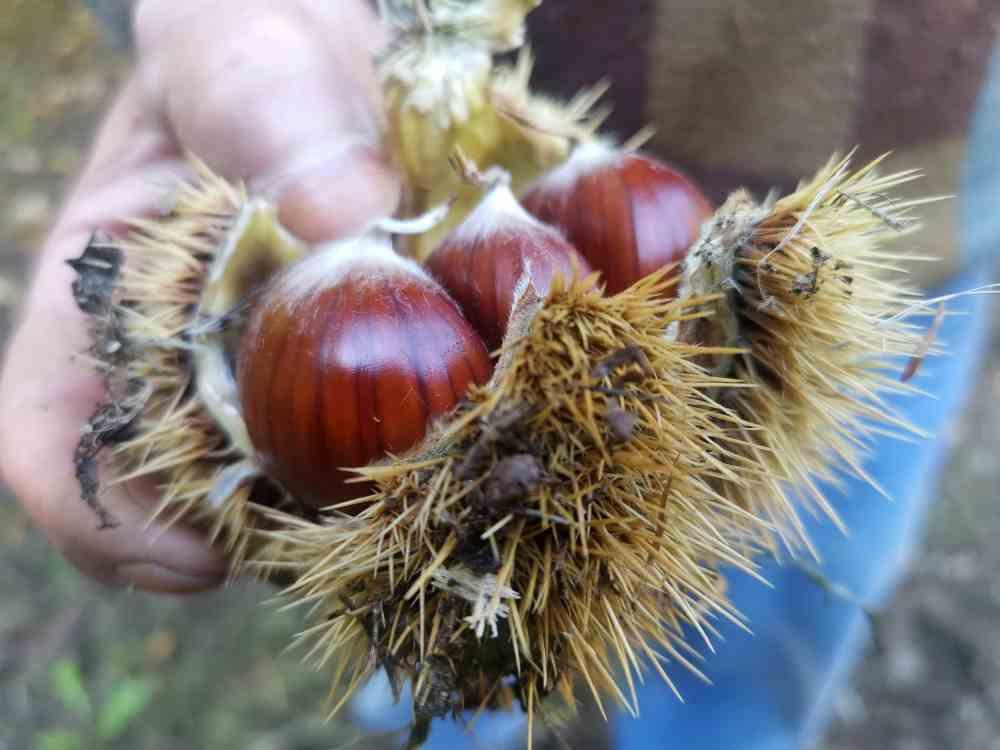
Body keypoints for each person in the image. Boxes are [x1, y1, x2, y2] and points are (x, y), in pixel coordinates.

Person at [2, 1, 997, 748]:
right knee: (457, 645)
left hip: (923, 155)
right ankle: (452, 706)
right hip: (356, 48)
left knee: (770, 607)